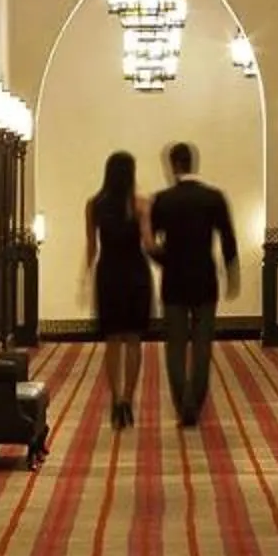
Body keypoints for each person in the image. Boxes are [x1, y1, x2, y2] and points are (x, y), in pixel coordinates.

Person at [146, 141, 239, 427]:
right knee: (202, 345)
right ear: (193, 163)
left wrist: (166, 261)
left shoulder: (162, 199)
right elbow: (227, 238)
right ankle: (195, 403)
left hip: (174, 282)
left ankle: (181, 401)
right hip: (204, 280)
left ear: (173, 165)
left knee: (174, 346)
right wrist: (232, 273)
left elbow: (151, 244)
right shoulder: (213, 198)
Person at [82, 149, 153, 430]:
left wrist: (86, 279)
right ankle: (127, 399)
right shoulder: (140, 204)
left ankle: (114, 399)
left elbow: (91, 246)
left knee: (112, 340)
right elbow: (148, 242)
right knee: (134, 339)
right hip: (136, 272)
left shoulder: (94, 204)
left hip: (108, 273)